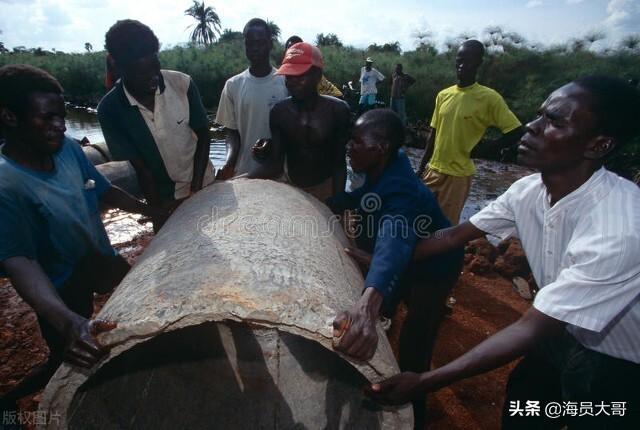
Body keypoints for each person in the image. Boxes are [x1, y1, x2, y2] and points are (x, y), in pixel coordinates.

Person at [363, 76, 640, 429]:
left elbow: (530, 327)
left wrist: (425, 380)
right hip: (560, 333)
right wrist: (382, 264)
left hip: (616, 360)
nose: (531, 126)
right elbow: (453, 236)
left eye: (554, 122)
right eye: (539, 115)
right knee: (525, 409)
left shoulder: (620, 228)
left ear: (598, 145)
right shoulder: (528, 191)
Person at [0, 64, 168, 409]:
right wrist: (65, 319)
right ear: (10, 117)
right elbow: (20, 262)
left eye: (62, 117)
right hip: (60, 282)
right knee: (69, 358)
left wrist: (154, 212)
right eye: (47, 119)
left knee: (135, 311)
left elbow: (105, 191)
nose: (59, 126)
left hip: (99, 258)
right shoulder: (7, 184)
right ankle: (12, 401)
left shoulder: (67, 150)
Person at [329, 109, 463, 428]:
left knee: (416, 340)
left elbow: (394, 242)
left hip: (435, 267)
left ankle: (414, 412)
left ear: (382, 147)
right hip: (405, 260)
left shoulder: (402, 190)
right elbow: (367, 197)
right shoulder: (387, 167)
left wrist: (367, 303)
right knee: (388, 314)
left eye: (358, 141)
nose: (349, 146)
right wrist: (333, 203)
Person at [98, 20, 214, 230]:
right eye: (141, 74)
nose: (153, 79)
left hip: (201, 183)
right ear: (119, 67)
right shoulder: (110, 110)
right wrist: (157, 213)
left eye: (155, 67)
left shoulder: (182, 84)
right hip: (163, 198)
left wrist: (195, 192)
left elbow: (204, 137)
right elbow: (143, 171)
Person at [417, 40, 522, 225]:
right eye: (459, 60)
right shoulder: (444, 95)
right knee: (417, 218)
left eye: (469, 61)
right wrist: (421, 167)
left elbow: (515, 131)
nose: (462, 65)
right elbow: (433, 134)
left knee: (445, 227)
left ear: (478, 63)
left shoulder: (489, 98)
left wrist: (487, 149)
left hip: (458, 177)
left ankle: (442, 255)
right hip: (433, 170)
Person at [252, 42, 351, 201]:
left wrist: (337, 200)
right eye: (289, 76)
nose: (292, 82)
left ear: (317, 75)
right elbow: (276, 164)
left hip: (326, 187)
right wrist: (242, 180)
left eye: (300, 76)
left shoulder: (338, 111)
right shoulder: (279, 112)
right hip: (291, 188)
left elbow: (339, 164)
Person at [215, 18, 289, 180]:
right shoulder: (233, 85)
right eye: (250, 43)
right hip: (244, 173)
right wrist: (228, 162)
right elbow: (231, 133)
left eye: (260, 43)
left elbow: (293, 131)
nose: (255, 48)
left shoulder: (285, 83)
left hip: (279, 176)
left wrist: (274, 145)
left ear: (270, 44)